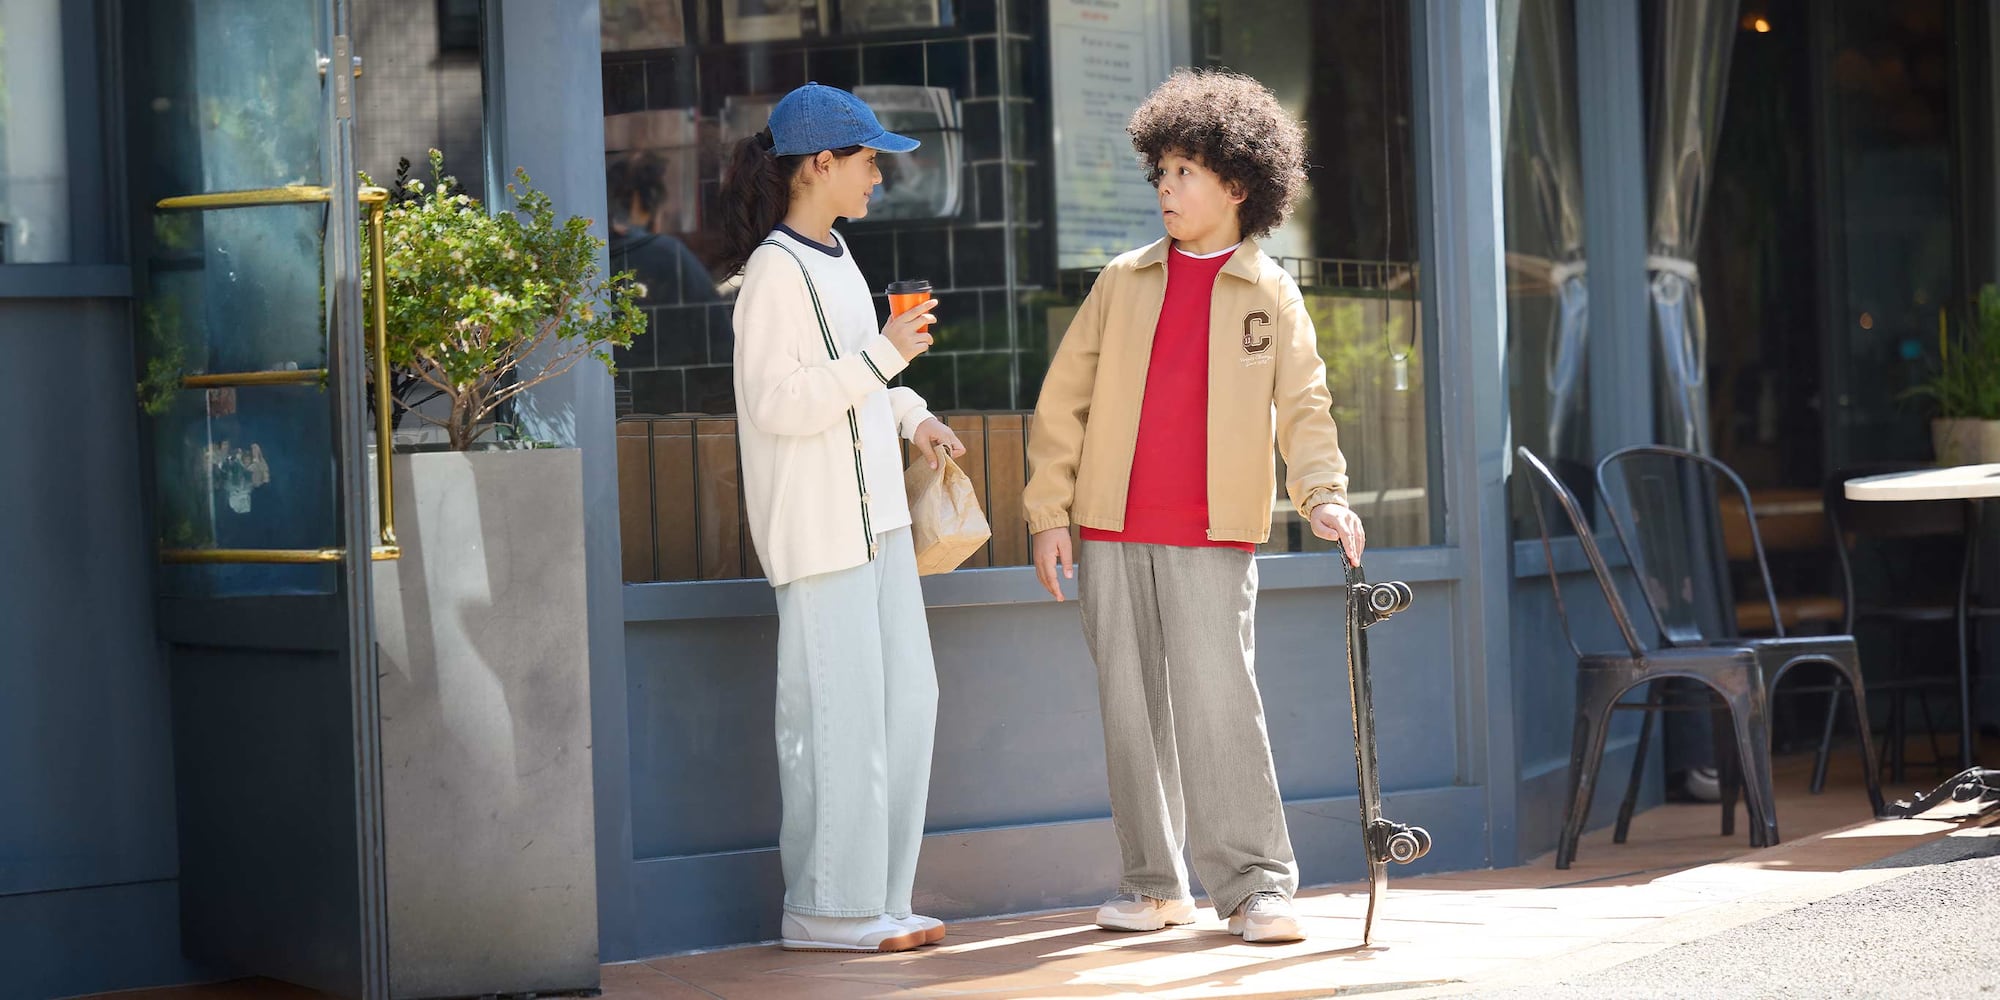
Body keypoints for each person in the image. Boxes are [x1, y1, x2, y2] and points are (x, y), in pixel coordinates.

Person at [1022, 69, 1365, 944]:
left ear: (1237, 184)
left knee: (1220, 708)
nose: (1167, 190)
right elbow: (1063, 406)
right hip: (1109, 529)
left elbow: (1306, 407)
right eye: (1161, 173)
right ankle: (1151, 886)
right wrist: (1049, 515)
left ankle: (1256, 888)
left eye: (1184, 172)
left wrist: (1322, 496)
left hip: (1215, 535)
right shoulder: (1121, 282)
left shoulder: (1271, 294)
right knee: (1131, 716)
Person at [718, 82, 966, 954]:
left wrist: (912, 413)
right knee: (836, 719)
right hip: (820, 534)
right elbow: (778, 405)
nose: (878, 179)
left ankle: (879, 899)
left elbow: (859, 384)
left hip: (880, 525)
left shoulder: (834, 256)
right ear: (820, 164)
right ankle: (825, 908)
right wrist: (882, 357)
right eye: (868, 161)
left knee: (905, 705)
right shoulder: (773, 274)